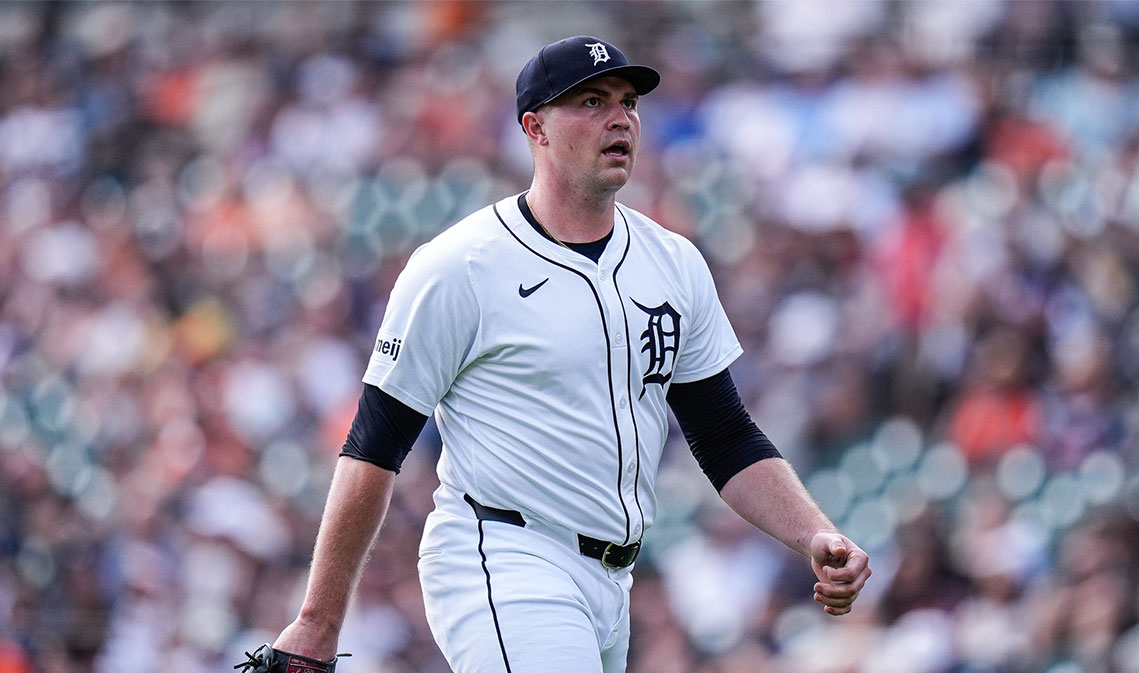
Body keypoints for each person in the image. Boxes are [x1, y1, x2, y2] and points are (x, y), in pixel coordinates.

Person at [271, 35, 871, 672]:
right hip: (504, 557)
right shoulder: (460, 266)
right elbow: (374, 445)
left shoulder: (673, 262)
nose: (619, 118)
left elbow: (725, 435)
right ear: (536, 128)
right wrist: (319, 621)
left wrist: (814, 532)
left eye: (628, 101)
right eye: (590, 101)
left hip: (615, 582)